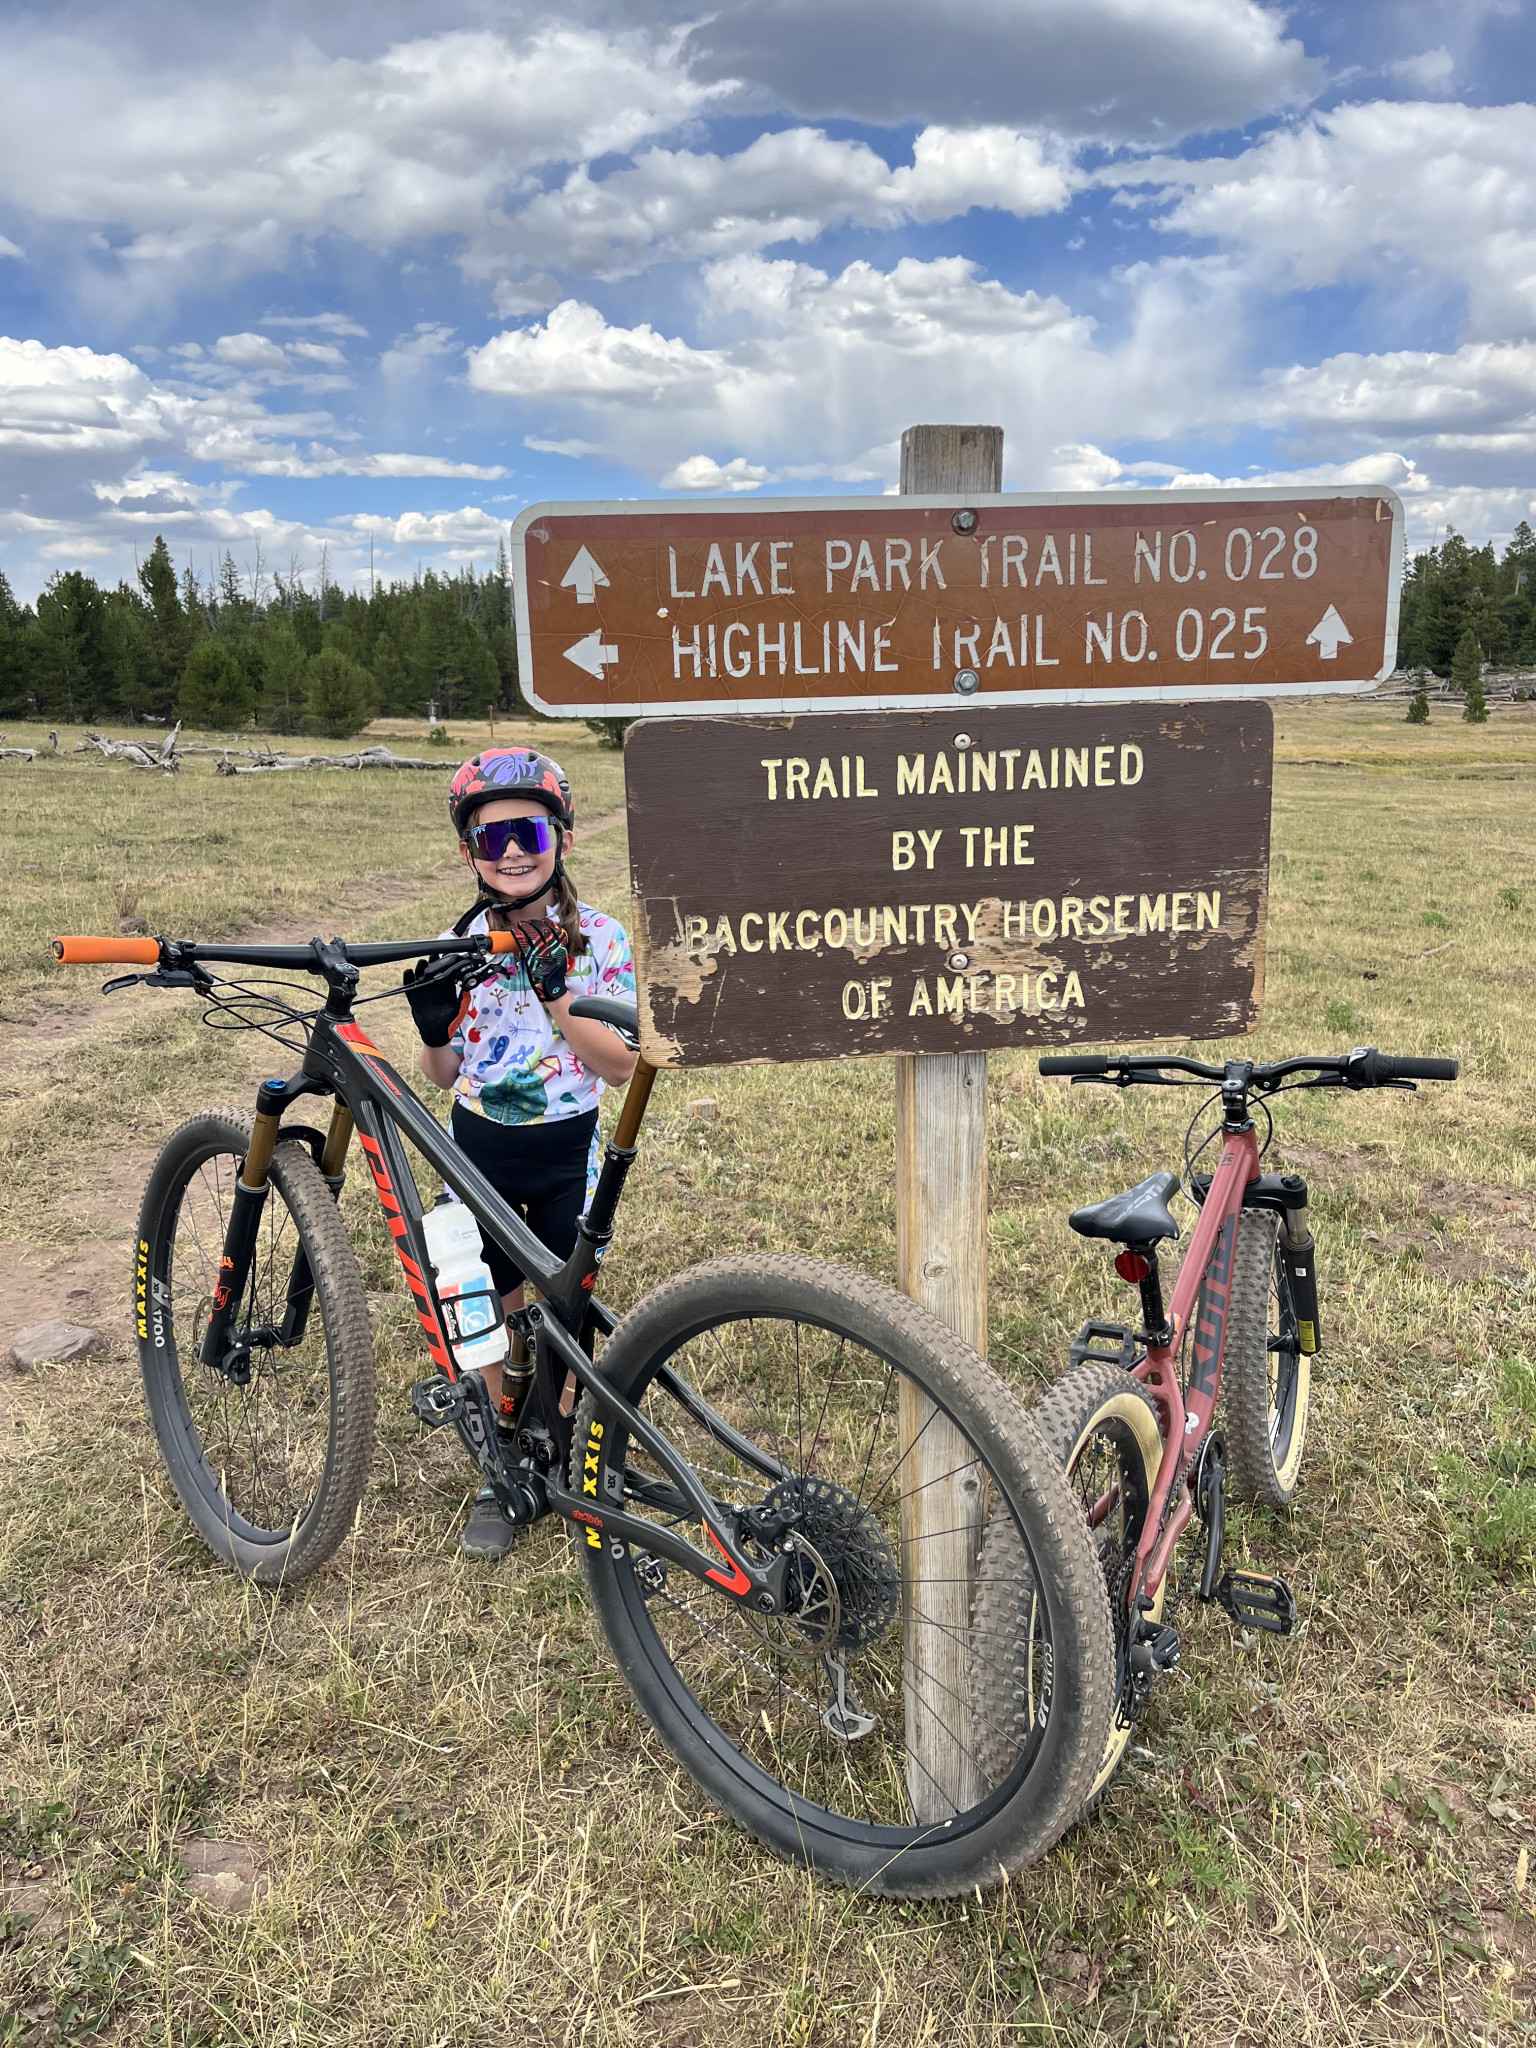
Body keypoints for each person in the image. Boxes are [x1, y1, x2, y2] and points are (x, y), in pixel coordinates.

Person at [402, 746, 636, 1559]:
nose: (509, 852)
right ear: (468, 852)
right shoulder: (461, 941)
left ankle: (561, 1443)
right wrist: (433, 1029)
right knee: (487, 1309)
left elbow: (619, 1064)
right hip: (481, 1154)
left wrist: (556, 990)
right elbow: (443, 1073)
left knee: (565, 1314)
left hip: (570, 1153)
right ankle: (501, 1459)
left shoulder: (599, 937)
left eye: (527, 833)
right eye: (489, 837)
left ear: (561, 840)